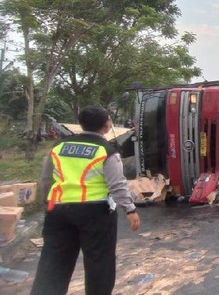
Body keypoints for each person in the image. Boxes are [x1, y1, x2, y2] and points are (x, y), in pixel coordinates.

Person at [32, 106, 140, 295]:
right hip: (95, 213)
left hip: (58, 211)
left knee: (53, 261)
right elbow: (117, 185)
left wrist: (47, 203)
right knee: (99, 262)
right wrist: (130, 210)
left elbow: (46, 179)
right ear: (107, 125)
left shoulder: (59, 147)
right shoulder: (106, 151)